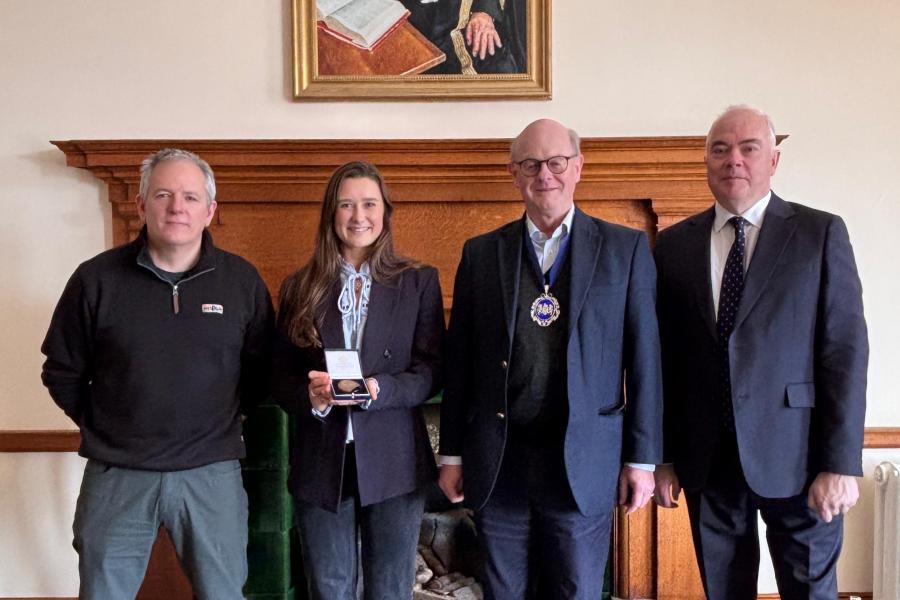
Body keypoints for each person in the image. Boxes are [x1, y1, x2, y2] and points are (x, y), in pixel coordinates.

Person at [438, 118, 663, 599]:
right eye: (531, 164)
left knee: (576, 589)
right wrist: (452, 453)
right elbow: (459, 365)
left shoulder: (624, 250)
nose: (545, 174)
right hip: (500, 462)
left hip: (583, 461)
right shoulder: (480, 254)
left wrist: (642, 460)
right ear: (514, 173)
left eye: (557, 162)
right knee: (503, 591)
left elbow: (646, 363)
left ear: (578, 167)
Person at [653, 105, 868, 599]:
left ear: (773, 160)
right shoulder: (672, 247)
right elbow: (662, 361)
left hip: (802, 459)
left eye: (749, 148)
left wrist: (840, 464)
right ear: (705, 161)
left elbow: (845, 353)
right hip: (708, 461)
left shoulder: (820, 234)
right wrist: (661, 457)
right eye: (720, 149)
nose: (735, 160)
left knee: (810, 592)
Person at [41, 148, 274, 599]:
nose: (176, 207)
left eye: (190, 196)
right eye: (163, 194)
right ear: (141, 205)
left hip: (212, 474)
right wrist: (107, 425)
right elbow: (62, 371)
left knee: (224, 593)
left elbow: (261, 371)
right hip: (118, 473)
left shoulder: (242, 282)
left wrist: (223, 420)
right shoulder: (96, 280)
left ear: (210, 210)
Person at [270, 161, 444, 600]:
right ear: (331, 214)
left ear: (385, 212)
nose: (358, 216)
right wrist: (311, 397)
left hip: (394, 458)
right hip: (323, 458)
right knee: (329, 589)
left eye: (369, 204)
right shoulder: (299, 287)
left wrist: (385, 392)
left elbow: (431, 370)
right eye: (346, 205)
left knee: (389, 589)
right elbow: (280, 375)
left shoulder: (418, 282)